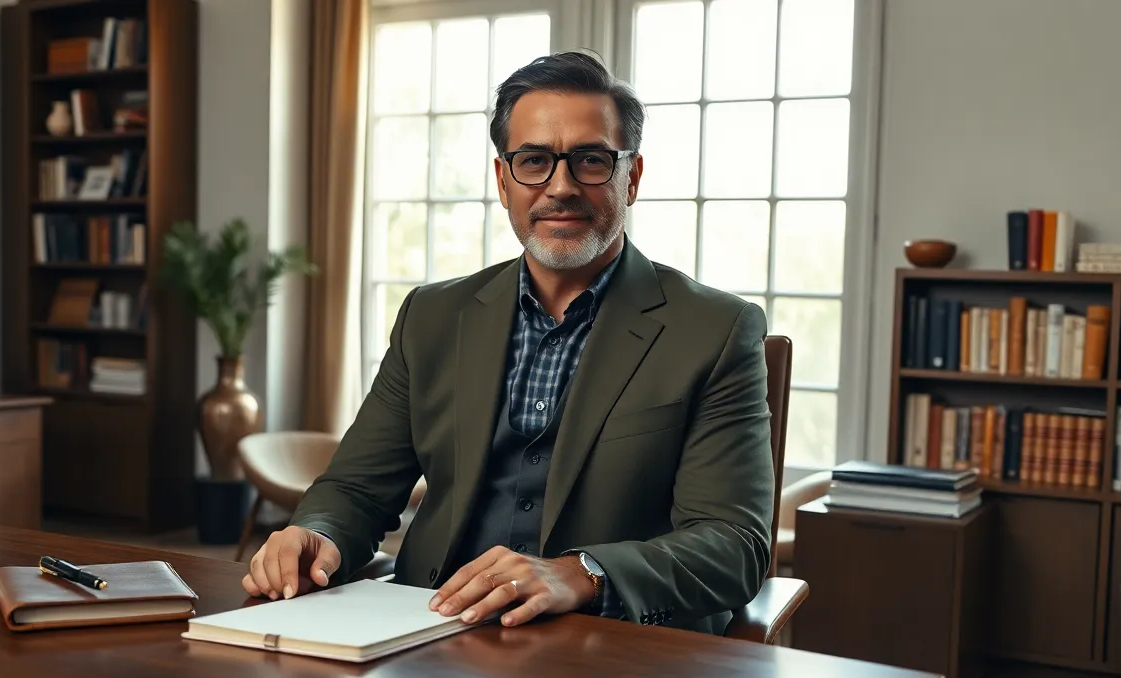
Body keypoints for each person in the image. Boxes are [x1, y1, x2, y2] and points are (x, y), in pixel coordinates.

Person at [242, 50, 774, 636]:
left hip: (611, 648)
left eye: (591, 160)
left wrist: (584, 573)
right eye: (534, 161)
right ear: (503, 180)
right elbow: (356, 488)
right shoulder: (432, 316)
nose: (561, 187)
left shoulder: (716, 330)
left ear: (633, 178)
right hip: (426, 628)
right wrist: (317, 532)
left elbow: (735, 544)